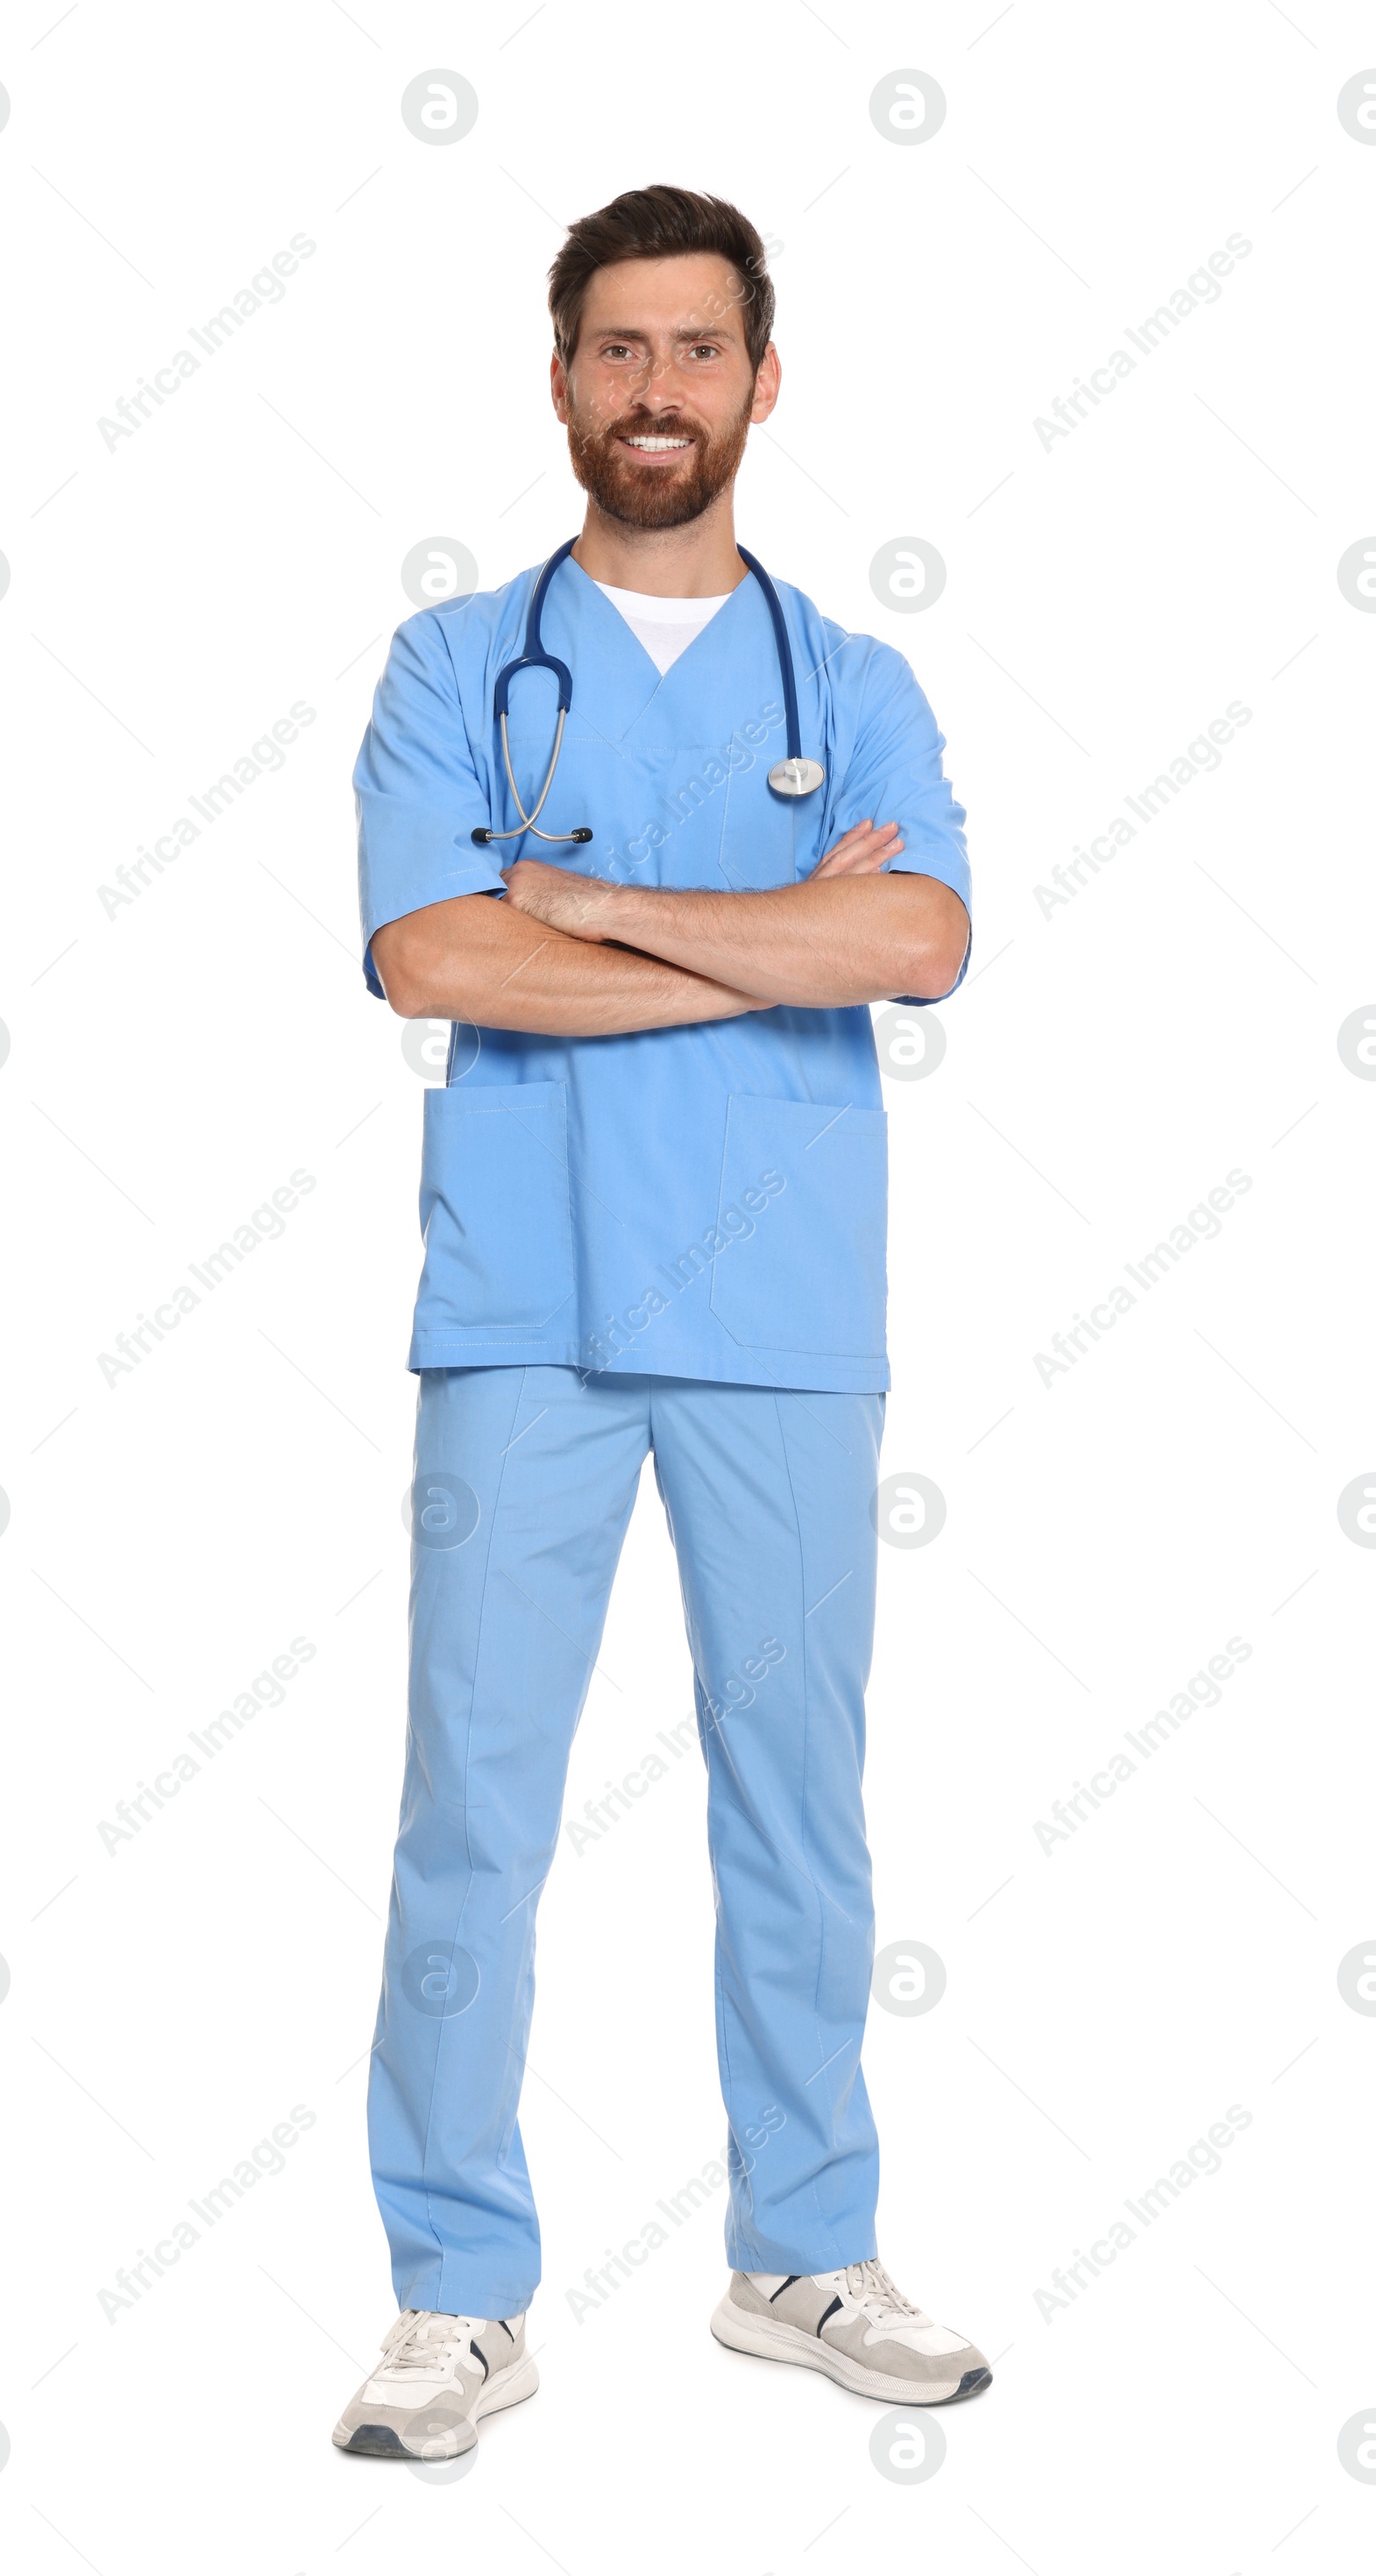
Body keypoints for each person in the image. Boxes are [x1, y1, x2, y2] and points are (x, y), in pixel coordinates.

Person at [333, 185, 987, 2464]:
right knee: (474, 1817)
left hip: (787, 1318)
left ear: (762, 383)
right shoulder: (454, 669)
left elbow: (911, 945)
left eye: (698, 351)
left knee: (798, 1807)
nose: (656, 390)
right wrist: (753, 937)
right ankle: (454, 2291)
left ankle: (801, 2246)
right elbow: (432, 961)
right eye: (618, 350)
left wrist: (588, 902)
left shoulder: (859, 679)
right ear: (559, 380)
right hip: (522, 1304)